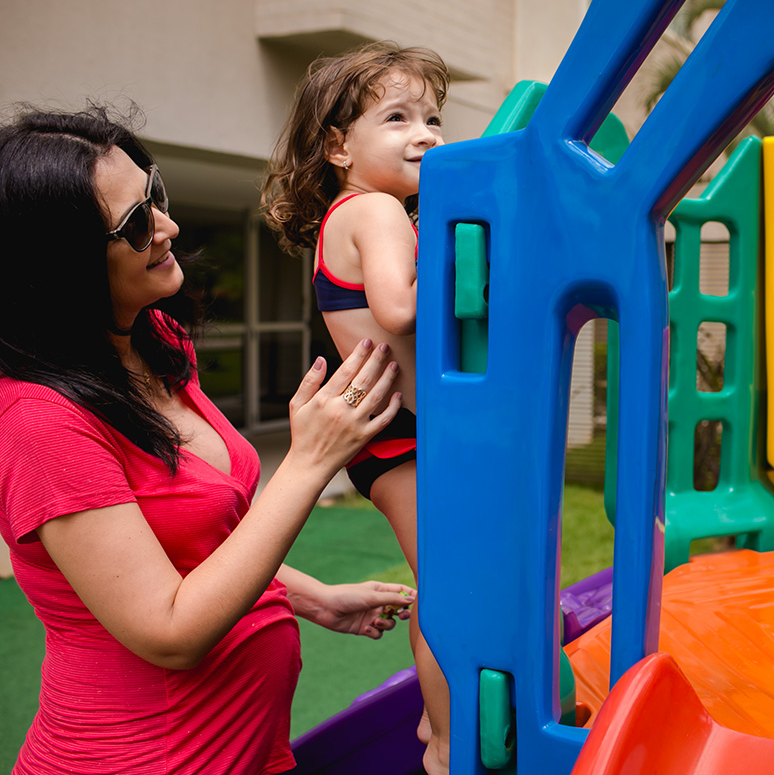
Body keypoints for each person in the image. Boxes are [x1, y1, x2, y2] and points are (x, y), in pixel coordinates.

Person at [0, 104, 415, 775]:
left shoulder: (156, 342)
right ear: (61, 263)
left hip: (248, 751)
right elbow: (168, 632)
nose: (168, 226)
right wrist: (308, 462)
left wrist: (310, 597)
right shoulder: (38, 422)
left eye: (154, 193)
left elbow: (192, 542)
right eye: (136, 223)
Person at [262, 41, 451, 774]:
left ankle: (441, 728)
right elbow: (399, 310)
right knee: (450, 581)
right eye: (398, 117)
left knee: (451, 571)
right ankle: (440, 737)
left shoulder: (358, 211)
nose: (425, 133)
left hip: (392, 437)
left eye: (433, 117)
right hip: (398, 435)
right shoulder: (375, 211)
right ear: (339, 146)